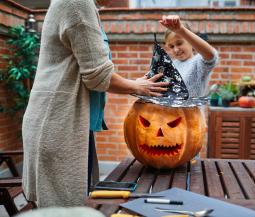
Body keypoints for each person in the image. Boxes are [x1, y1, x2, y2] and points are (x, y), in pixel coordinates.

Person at [22, 0, 169, 208]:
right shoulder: (77, 3)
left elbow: (89, 68)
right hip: (58, 124)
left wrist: (134, 83)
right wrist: (138, 88)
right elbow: (97, 75)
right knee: (66, 210)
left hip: (61, 121)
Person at [160, 15, 219, 98]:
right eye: (171, 46)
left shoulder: (198, 63)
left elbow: (211, 56)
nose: (176, 50)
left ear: (190, 41)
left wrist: (182, 31)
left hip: (192, 110)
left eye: (179, 43)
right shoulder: (170, 65)